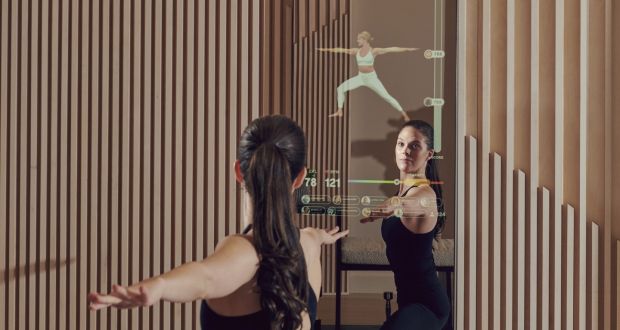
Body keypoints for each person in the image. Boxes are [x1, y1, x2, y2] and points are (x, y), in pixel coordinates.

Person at [87, 115, 349, 330]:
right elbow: (313, 235)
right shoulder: (309, 245)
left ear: (238, 171)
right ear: (300, 177)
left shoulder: (244, 251)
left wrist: (160, 285)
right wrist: (325, 236)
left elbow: (206, 276)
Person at [361, 120, 450, 330]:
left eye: (414, 146)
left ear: (429, 154)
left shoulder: (425, 194)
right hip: (407, 303)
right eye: (401, 144)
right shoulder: (403, 190)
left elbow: (412, 204)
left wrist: (396, 204)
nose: (405, 151)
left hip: (428, 306)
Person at [317, 31, 417, 121]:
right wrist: (325, 49)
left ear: (364, 40)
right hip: (360, 78)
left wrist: (407, 49)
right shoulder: (356, 51)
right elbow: (340, 50)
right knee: (340, 88)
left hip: (371, 78)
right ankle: (339, 111)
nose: (357, 41)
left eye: (359, 39)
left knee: (386, 96)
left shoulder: (374, 51)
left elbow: (391, 49)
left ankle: (404, 114)